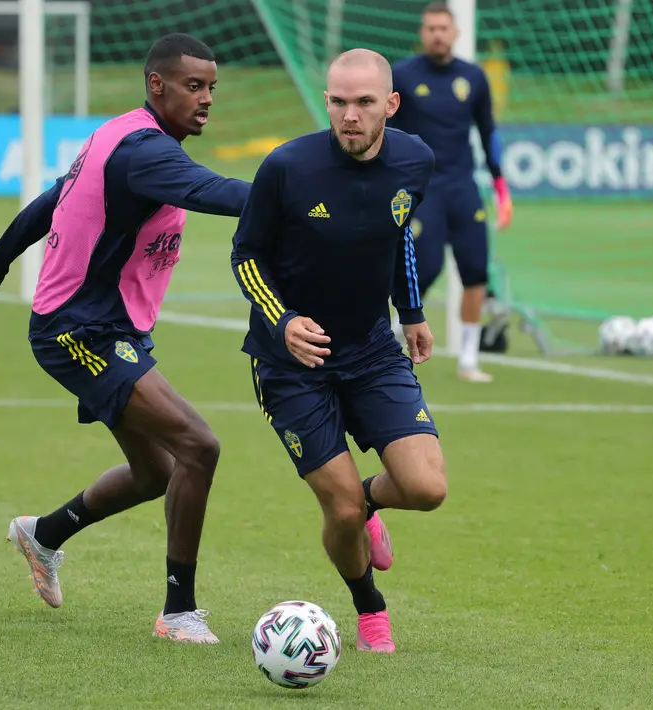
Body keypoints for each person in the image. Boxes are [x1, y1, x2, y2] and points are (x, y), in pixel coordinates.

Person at [0, 33, 249, 645]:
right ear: (156, 84)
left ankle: (44, 534)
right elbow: (215, 193)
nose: (207, 99)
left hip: (107, 326)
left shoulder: (118, 135)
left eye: (212, 87)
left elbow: (50, 200)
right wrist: (307, 192)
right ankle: (178, 611)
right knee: (199, 446)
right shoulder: (146, 153)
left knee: (156, 471)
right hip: (78, 331)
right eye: (195, 86)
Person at [229, 48, 447, 654]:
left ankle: (369, 503)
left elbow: (399, 233)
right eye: (338, 102)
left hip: (373, 350)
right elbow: (245, 255)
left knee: (427, 488)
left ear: (391, 105)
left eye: (364, 102)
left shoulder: (416, 160)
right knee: (341, 510)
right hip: (291, 364)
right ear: (326, 101)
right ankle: (368, 606)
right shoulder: (286, 167)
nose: (349, 115)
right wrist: (284, 321)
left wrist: (412, 313)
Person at [387, 2, 512, 383]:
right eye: (430, 28)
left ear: (455, 32)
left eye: (444, 27)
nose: (437, 34)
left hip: (463, 187)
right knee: (425, 268)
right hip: (421, 190)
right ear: (422, 33)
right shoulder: (403, 76)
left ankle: (469, 360)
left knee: (475, 271)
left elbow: (488, 131)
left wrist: (500, 185)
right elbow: (385, 130)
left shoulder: (473, 77)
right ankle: (390, 333)